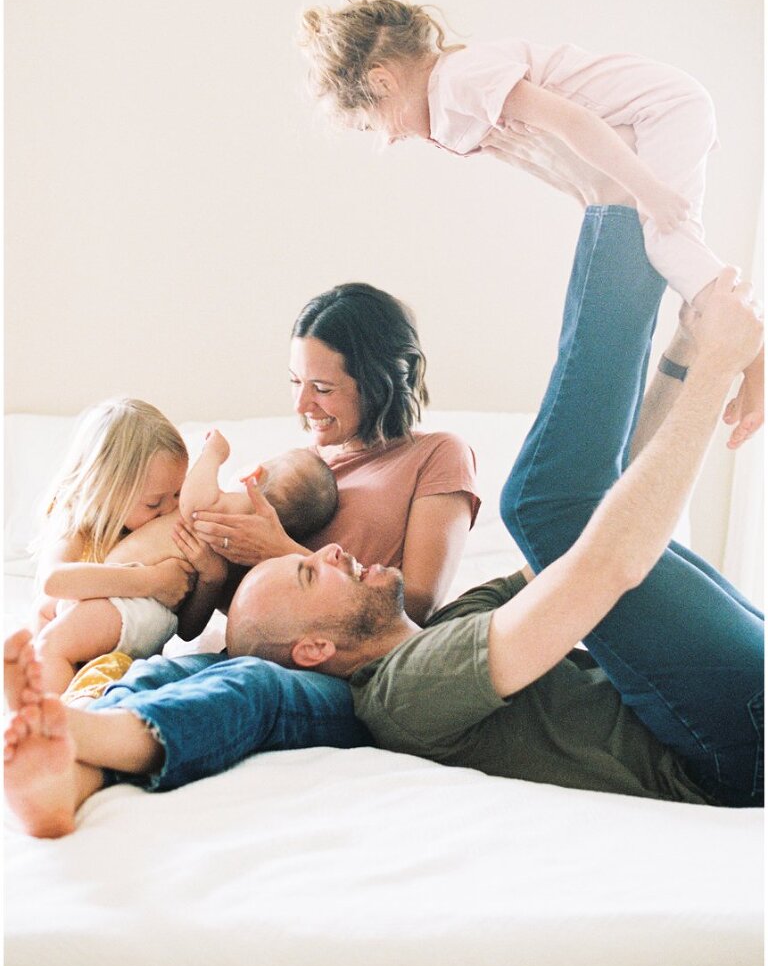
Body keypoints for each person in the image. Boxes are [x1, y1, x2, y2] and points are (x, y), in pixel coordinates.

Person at [4, 206, 762, 836]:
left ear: (373, 381)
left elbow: (595, 542)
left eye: (323, 386)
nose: (330, 552)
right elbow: (600, 560)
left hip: (695, 720)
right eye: (311, 568)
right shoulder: (406, 685)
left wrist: (692, 360)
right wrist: (706, 367)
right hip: (721, 745)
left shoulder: (431, 593)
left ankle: (624, 208)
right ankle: (623, 212)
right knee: (537, 508)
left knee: (549, 513)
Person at [299, 0, 764, 450]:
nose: (386, 139)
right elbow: (557, 162)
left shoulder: (461, 80)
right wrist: (597, 202)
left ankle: (754, 350)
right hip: (647, 120)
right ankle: (747, 349)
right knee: (671, 246)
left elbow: (573, 122)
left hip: (662, 109)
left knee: (667, 242)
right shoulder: (454, 109)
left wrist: (649, 191)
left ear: (382, 82)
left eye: (371, 123)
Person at [190, 282, 480, 625]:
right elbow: (229, 608)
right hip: (249, 654)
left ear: (379, 383)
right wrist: (209, 571)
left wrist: (279, 550)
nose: (301, 404)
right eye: (295, 382)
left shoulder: (437, 455)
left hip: (338, 667)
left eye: (322, 388)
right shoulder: (295, 469)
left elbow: (419, 605)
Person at [33, 400, 338, 694]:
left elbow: (185, 630)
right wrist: (151, 581)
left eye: (178, 493)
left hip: (129, 643)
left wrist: (211, 577)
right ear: (105, 488)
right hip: (105, 648)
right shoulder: (79, 526)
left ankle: (51, 724)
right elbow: (53, 581)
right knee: (39, 623)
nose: (171, 509)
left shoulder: (179, 535)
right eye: (155, 501)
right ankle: (55, 697)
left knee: (51, 645)